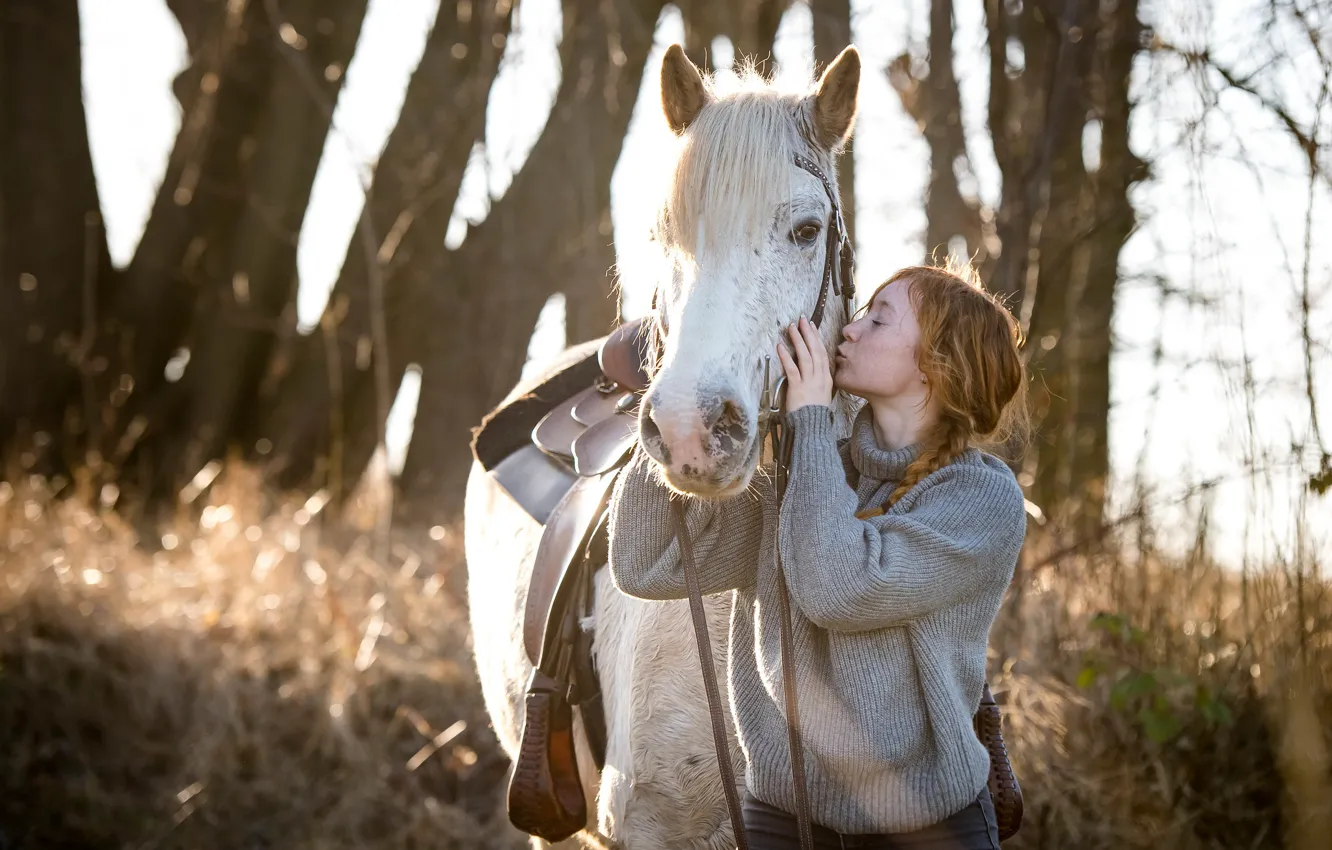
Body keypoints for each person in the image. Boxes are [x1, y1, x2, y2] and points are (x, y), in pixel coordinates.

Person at [607, 262, 1030, 849]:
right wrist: (672, 405)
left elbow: (841, 589)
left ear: (937, 367)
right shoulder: (804, 472)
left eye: (879, 320)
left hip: (926, 828)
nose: (850, 330)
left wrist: (808, 418)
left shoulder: (980, 496)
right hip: (782, 819)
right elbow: (647, 563)